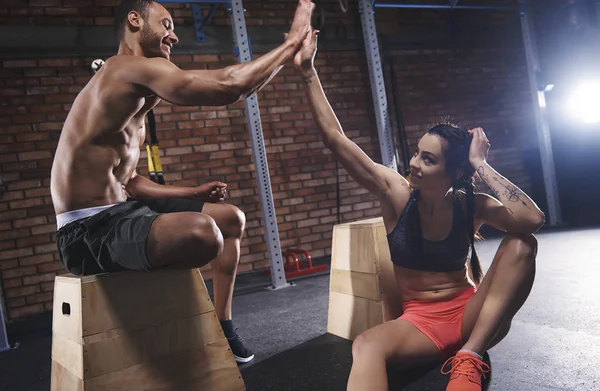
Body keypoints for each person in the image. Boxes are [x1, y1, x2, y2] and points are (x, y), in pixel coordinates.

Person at [50, 0, 315, 364]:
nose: (174, 35)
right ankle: (164, 332)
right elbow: (228, 87)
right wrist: (292, 43)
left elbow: (129, 181)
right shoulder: (121, 71)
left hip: (119, 212)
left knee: (230, 219)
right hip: (85, 232)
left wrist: (191, 192)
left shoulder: (137, 93)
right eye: (167, 24)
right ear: (134, 20)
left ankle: (223, 327)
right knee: (202, 233)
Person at [293, 28, 544, 390]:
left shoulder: (470, 204)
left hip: (473, 318)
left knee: (522, 244)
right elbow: (336, 139)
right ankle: (464, 354)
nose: (414, 164)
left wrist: (481, 165)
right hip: (420, 324)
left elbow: (532, 221)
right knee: (365, 344)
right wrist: (307, 73)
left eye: (428, 159)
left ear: (455, 172)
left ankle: (470, 358)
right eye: (415, 152)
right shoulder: (397, 193)